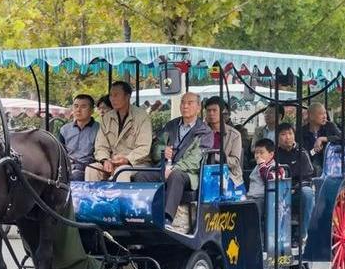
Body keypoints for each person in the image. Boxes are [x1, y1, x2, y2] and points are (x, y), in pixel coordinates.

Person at [134, 92, 213, 228]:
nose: (185, 106)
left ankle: (167, 218)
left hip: (188, 174)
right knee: (140, 176)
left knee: (176, 176)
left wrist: (173, 169)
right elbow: (156, 147)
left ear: (199, 108)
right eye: (183, 102)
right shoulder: (171, 125)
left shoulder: (204, 131)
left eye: (190, 103)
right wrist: (163, 151)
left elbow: (195, 160)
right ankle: (142, 215)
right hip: (164, 167)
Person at [85, 81, 152, 182]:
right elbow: (101, 146)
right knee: (92, 169)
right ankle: (93, 198)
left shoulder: (142, 117)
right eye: (111, 95)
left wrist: (127, 159)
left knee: (122, 171)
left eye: (116, 95)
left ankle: (121, 198)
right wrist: (105, 160)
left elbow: (144, 148)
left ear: (127, 96)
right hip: (112, 161)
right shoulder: (107, 118)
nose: (112, 99)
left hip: (136, 163)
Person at [276, 123, 315, 243]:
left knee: (307, 193)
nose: (287, 137)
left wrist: (295, 188)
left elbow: (308, 177)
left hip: (297, 192)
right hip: (278, 192)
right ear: (277, 137)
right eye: (283, 134)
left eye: (290, 133)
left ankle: (303, 235)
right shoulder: (274, 154)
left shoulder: (302, 152)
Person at [204, 96, 245, 198]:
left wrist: (215, 157)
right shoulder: (200, 132)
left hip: (228, 174)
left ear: (222, 112)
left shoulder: (234, 134)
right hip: (204, 172)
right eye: (208, 111)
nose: (211, 114)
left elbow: (235, 162)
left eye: (214, 110)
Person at [59, 94, 99, 181]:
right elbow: (60, 153)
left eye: (83, 106)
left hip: (89, 168)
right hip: (67, 167)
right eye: (76, 106)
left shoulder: (99, 129)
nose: (78, 110)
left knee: (75, 176)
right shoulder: (64, 130)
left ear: (92, 110)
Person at [301, 102, 344, 175]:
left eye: (325, 113)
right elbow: (303, 155)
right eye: (321, 114)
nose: (325, 116)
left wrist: (323, 139)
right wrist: (314, 151)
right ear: (311, 116)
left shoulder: (330, 126)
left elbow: (344, 139)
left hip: (331, 165)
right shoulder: (302, 132)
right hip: (311, 168)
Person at [247, 138, 284, 213]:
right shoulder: (257, 167)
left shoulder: (277, 167)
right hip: (251, 197)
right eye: (256, 153)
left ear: (271, 154)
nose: (257, 156)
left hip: (264, 199)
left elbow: (270, 180)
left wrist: (262, 166)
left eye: (261, 153)